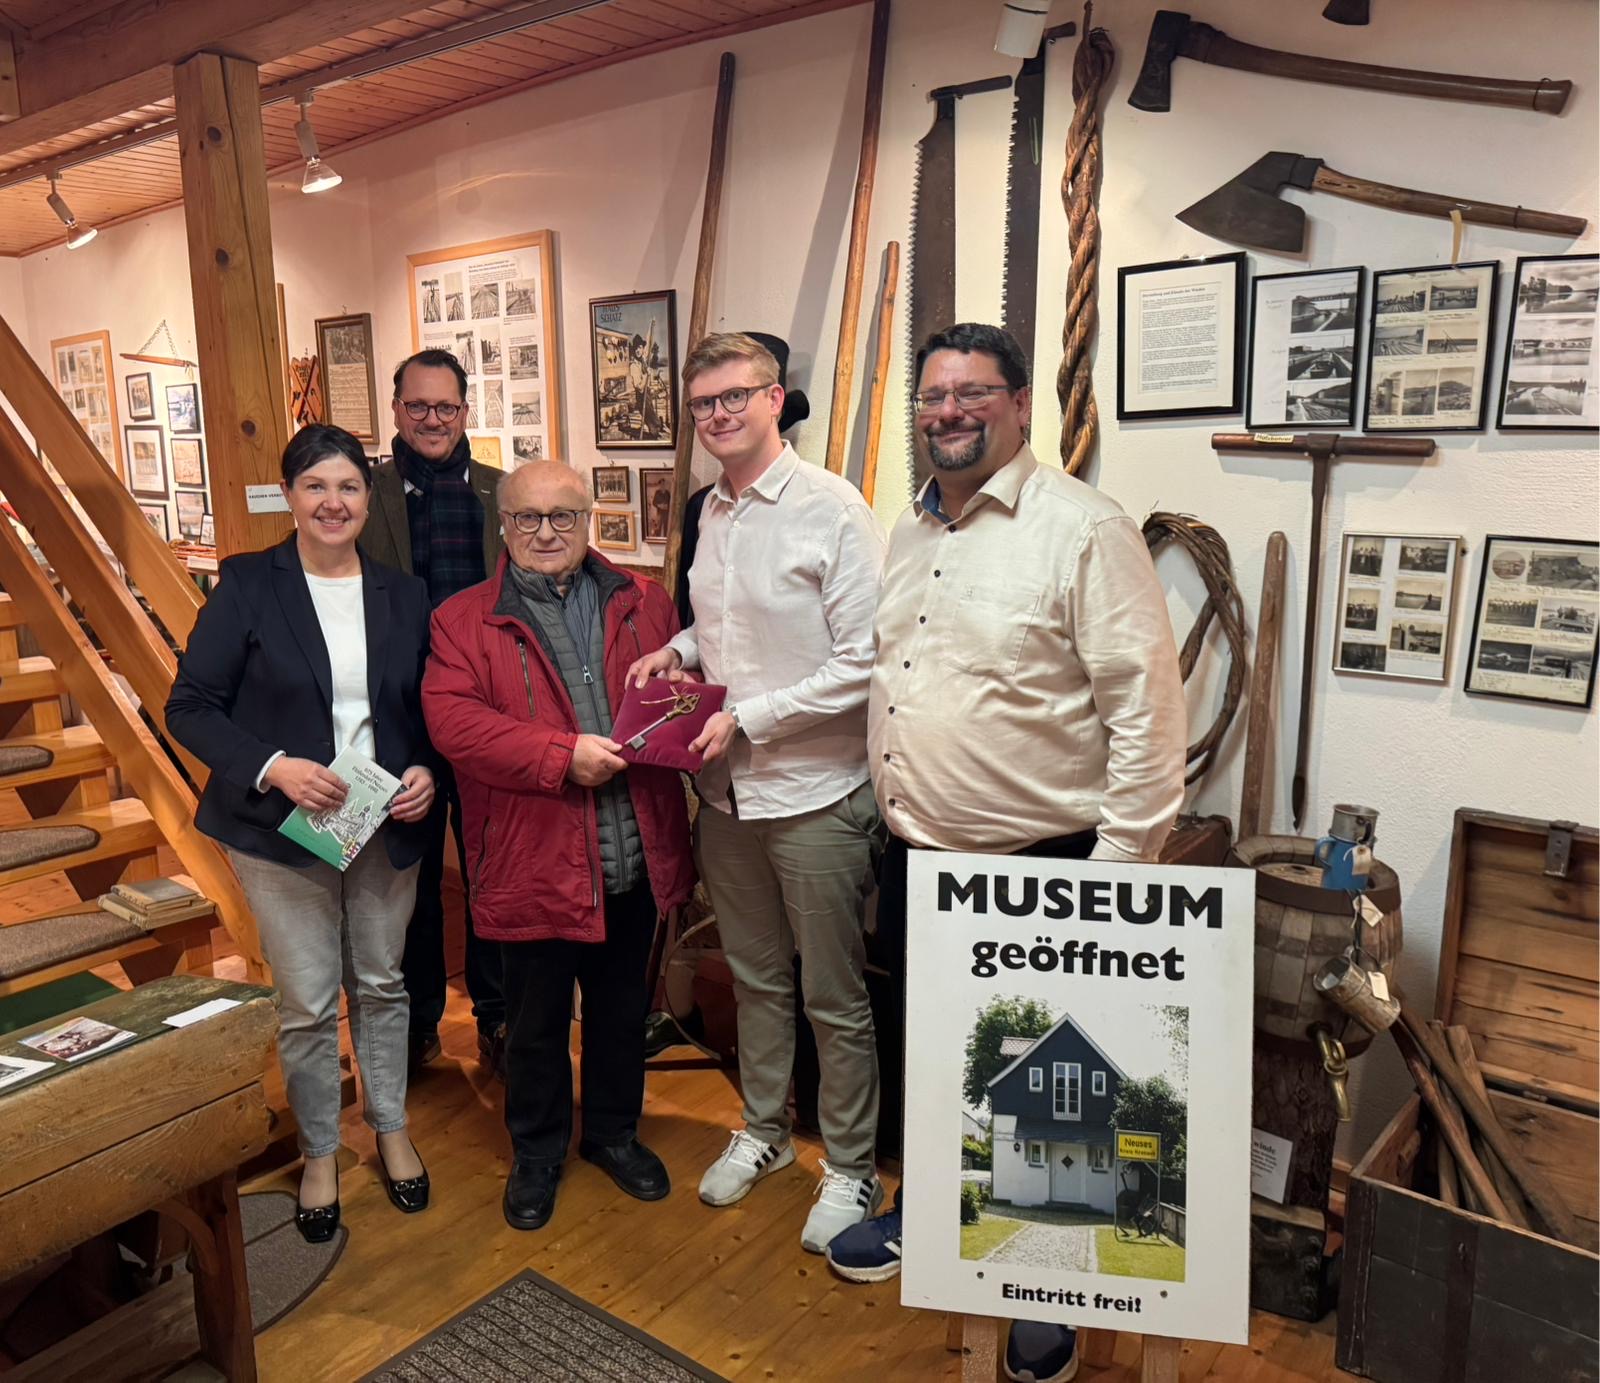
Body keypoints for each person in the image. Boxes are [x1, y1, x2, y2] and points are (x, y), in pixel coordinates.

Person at [822, 323, 1187, 1383]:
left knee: (1047, 1093)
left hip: (1045, 866)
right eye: (933, 395)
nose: (948, 412)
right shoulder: (911, 530)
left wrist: (1113, 881)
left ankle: (1048, 1286)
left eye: (973, 393)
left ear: (1020, 405)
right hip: (919, 859)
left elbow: (1146, 718)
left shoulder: (1083, 530)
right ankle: (932, 1216)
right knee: (937, 1060)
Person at [627, 332, 888, 1254]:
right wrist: (680, 652)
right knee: (755, 979)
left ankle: (851, 1166)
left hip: (815, 790)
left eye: (735, 396)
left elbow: (867, 659)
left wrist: (754, 715)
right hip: (727, 796)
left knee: (832, 992)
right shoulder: (712, 511)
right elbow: (717, 624)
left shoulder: (834, 509)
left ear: (776, 398)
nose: (719, 415)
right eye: (703, 404)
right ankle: (768, 1133)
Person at [166, 424, 439, 1244]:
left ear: (368, 499)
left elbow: (427, 709)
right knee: (310, 1000)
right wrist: (275, 765)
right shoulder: (250, 584)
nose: (333, 502)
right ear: (290, 495)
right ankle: (321, 1148)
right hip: (281, 829)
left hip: (381, 824)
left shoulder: (405, 592)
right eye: (316, 486)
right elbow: (189, 707)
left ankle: (389, 1127)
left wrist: (428, 768)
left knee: (384, 984)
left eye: (349, 487)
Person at [423, 460, 695, 1232]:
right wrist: (558, 756)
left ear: (589, 522)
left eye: (563, 517)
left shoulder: (646, 601)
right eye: (527, 518)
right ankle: (537, 1152)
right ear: (503, 527)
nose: (546, 533)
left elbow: (679, 695)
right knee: (537, 1023)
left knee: (618, 1009)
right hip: (534, 858)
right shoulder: (462, 619)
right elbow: (456, 725)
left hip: (633, 851)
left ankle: (612, 1133)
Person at [360, 349, 508, 1077]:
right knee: (407, 879)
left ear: (465, 411)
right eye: (417, 406)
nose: (431, 420)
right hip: (401, 722)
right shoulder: (365, 495)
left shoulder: (501, 494)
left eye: (446, 407)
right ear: (395, 410)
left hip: (486, 716)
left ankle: (497, 1013)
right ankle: (418, 1022)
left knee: (491, 870)